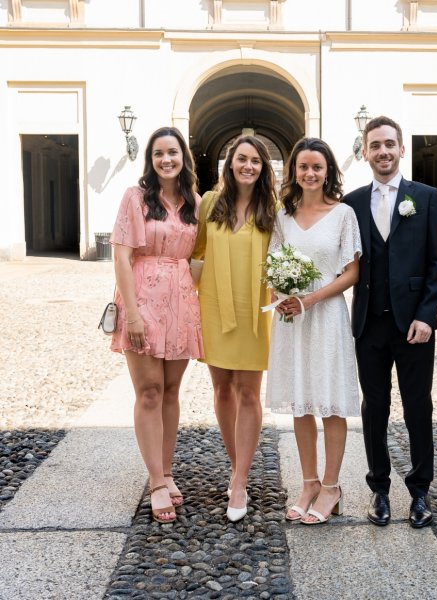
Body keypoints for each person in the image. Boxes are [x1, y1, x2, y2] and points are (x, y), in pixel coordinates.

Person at [343, 116, 437, 529]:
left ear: (402, 149)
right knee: (374, 408)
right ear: (365, 152)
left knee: (418, 407)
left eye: (390, 144)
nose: (383, 151)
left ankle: (420, 492)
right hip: (369, 323)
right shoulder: (351, 203)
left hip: (414, 326)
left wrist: (426, 317)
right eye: (375, 145)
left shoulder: (426, 197)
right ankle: (379, 489)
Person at [266, 137, 361, 525]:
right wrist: (280, 294)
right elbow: (271, 265)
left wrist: (312, 298)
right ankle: (307, 484)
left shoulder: (343, 214)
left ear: (328, 172)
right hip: (290, 319)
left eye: (317, 167)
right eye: (303, 167)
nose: (309, 173)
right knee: (301, 401)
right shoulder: (281, 217)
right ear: (294, 172)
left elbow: (352, 272)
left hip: (326, 318)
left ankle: (332, 487)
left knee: (329, 401)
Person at [110, 126, 203, 524]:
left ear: (183, 157)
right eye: (158, 153)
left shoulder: (194, 202)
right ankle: (155, 481)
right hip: (142, 301)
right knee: (148, 391)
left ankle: (166, 469)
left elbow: (198, 258)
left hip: (181, 302)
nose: (166, 159)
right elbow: (120, 256)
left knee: (169, 391)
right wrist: (131, 313)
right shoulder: (135, 197)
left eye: (172, 152)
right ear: (150, 159)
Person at [192, 135, 277, 522]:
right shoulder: (210, 203)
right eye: (241, 159)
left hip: (254, 309)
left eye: (255, 161)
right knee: (222, 388)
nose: (248, 166)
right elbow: (194, 252)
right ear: (230, 163)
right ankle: (236, 465)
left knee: (248, 393)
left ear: (263, 167)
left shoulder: (272, 209)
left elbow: (286, 255)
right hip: (214, 305)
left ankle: (240, 481)